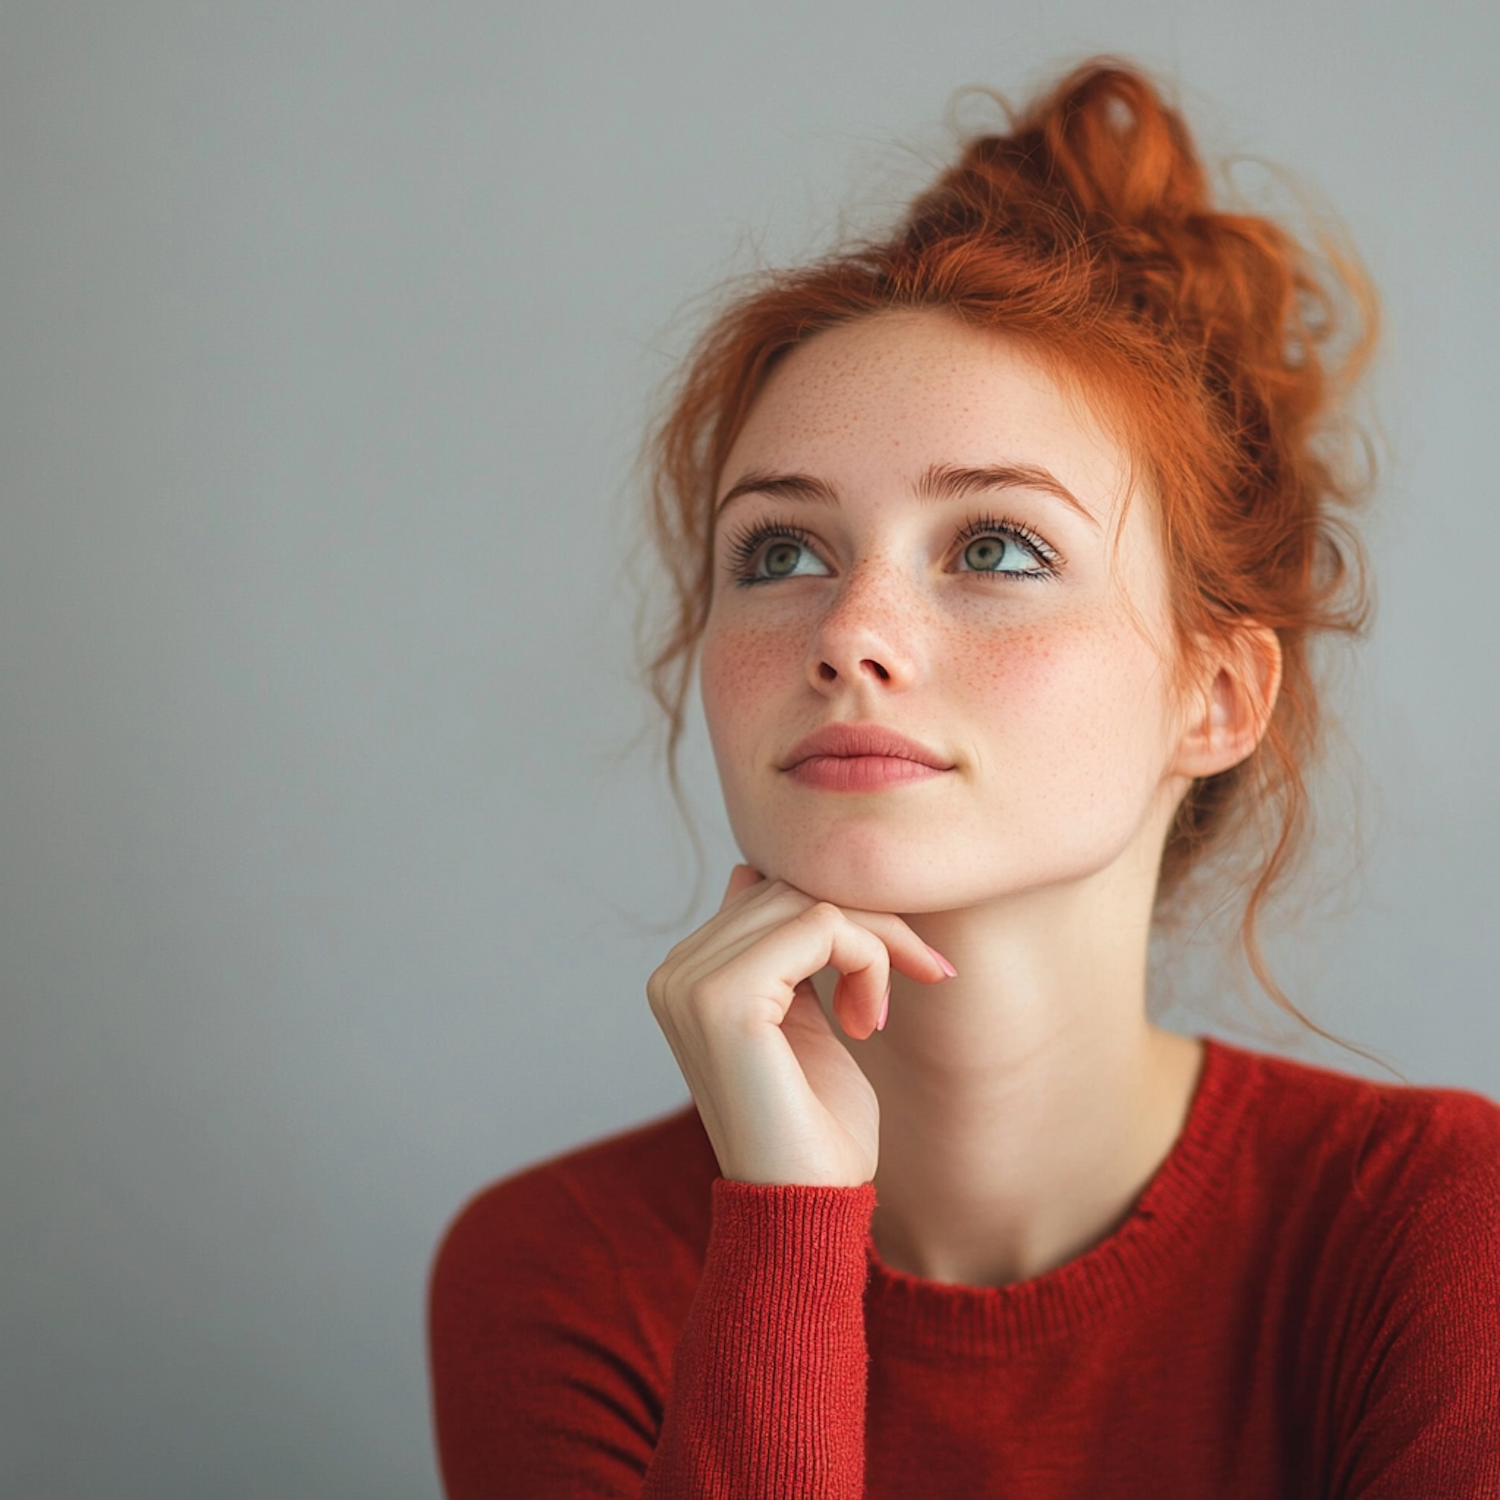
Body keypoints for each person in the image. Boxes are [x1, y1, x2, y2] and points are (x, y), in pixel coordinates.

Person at [427, 59, 1500, 1497]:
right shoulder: (561, 1271)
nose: (848, 633)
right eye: (780, 551)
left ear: (1219, 695)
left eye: (995, 547)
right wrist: (786, 1229)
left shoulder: (1438, 1222)